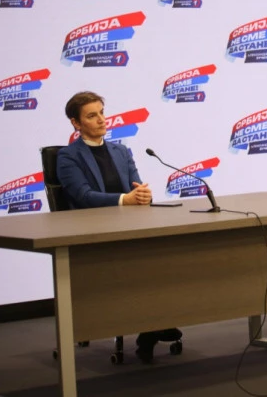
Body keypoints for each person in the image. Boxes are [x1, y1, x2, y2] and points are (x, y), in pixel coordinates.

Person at [56, 91, 181, 362]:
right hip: (91, 233)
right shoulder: (68, 157)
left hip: (129, 229)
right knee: (142, 265)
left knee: (168, 255)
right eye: (92, 116)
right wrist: (126, 199)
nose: (102, 119)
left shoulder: (121, 151)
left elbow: (136, 187)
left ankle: (155, 324)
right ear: (76, 123)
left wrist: (143, 196)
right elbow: (83, 196)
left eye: (102, 112)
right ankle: (154, 325)